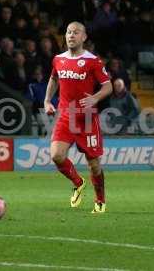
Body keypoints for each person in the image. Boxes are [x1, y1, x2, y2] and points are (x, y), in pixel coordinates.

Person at [44, 21, 112, 213]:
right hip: (66, 115)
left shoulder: (93, 61)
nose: (71, 35)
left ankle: (100, 200)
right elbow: (54, 79)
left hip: (87, 118)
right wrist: (47, 100)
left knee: (94, 164)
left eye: (76, 32)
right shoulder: (58, 59)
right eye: (68, 32)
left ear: (84, 37)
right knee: (57, 156)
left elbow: (108, 86)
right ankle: (78, 182)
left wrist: (95, 98)